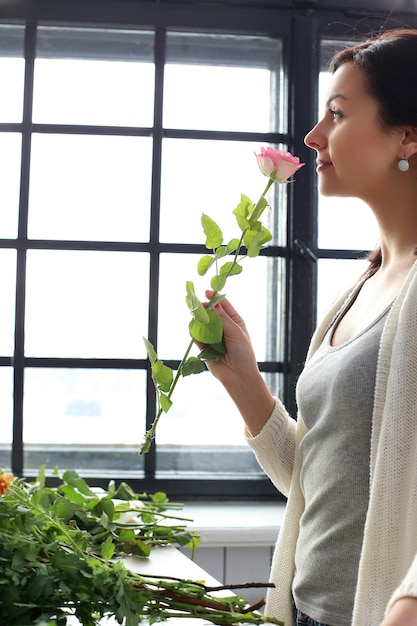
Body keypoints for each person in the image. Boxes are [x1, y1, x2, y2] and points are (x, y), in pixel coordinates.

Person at [199, 28, 417, 626]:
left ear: (408, 135)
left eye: (339, 114)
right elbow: (324, 482)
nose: (313, 136)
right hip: (306, 611)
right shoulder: (360, 290)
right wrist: (245, 385)